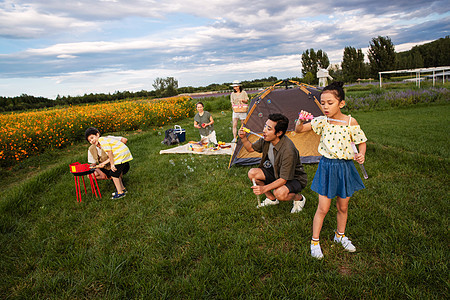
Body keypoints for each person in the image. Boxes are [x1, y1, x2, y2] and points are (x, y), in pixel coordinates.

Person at [295, 81, 367, 259]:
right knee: (323, 208)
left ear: (341, 103)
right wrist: (300, 120)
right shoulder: (322, 122)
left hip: (346, 168)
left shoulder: (351, 122)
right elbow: (299, 130)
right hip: (327, 167)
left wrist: (362, 154)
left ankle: (340, 236)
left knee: (343, 206)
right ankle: (315, 241)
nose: (325, 107)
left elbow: (361, 141)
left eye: (330, 103)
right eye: (323, 103)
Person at [238, 113, 307, 213]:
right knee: (252, 173)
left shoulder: (288, 150)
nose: (264, 130)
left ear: (279, 133)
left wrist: (263, 189)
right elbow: (250, 148)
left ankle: (299, 198)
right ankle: (272, 199)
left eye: (269, 129)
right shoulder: (266, 139)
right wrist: (243, 138)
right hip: (276, 172)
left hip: (294, 178)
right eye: (265, 126)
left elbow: (283, 179)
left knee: (279, 193)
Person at [85, 127, 133, 200]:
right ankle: (123, 189)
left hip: (121, 155)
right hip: (119, 156)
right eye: (90, 140)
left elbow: (110, 152)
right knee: (114, 173)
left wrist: (112, 164)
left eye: (92, 137)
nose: (92, 141)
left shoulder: (102, 140)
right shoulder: (98, 144)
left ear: (97, 135)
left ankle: (120, 193)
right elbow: (111, 156)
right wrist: (103, 163)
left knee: (114, 174)